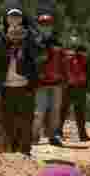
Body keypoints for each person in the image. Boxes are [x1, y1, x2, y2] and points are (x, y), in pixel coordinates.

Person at [0, 3, 41, 155]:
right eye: (11, 16)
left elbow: (39, 49)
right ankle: (12, 150)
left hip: (26, 85)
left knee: (26, 120)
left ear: (22, 18)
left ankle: (25, 151)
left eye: (17, 16)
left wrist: (26, 38)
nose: (14, 19)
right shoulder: (0, 34)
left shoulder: (30, 33)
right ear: (6, 18)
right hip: (6, 86)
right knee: (7, 121)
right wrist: (8, 39)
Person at [32, 9, 64, 147]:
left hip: (57, 82)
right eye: (43, 23)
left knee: (55, 111)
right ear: (38, 25)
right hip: (41, 82)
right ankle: (34, 136)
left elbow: (63, 62)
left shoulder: (57, 42)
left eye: (48, 23)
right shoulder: (35, 42)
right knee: (39, 111)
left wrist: (65, 79)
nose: (46, 26)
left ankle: (53, 136)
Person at [56, 36, 90, 142]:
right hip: (79, 87)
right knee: (80, 112)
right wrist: (88, 86)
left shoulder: (64, 55)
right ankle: (82, 135)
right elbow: (89, 72)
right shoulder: (84, 55)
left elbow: (60, 70)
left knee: (63, 111)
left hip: (67, 86)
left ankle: (58, 133)